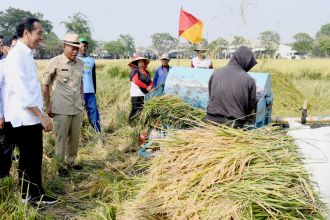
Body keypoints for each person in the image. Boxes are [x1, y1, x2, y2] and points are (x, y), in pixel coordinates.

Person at [4, 17, 57, 204]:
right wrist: (41, 116)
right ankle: (28, 197)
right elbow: (22, 92)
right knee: (27, 160)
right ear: (27, 33)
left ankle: (36, 193)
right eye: (39, 33)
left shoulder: (26, 54)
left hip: (30, 118)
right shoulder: (16, 56)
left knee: (33, 159)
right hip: (23, 118)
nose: (41, 37)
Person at [42, 34, 84, 177]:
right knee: (61, 138)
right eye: (72, 48)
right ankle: (59, 166)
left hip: (77, 107)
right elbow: (45, 84)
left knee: (75, 137)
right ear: (64, 46)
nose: (75, 51)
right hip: (61, 108)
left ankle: (71, 162)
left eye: (77, 49)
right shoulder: (55, 62)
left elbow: (80, 83)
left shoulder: (80, 63)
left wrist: (82, 99)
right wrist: (48, 105)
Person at [206, 45, 257, 128]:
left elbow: (211, 96)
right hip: (233, 125)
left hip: (210, 120)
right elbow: (250, 107)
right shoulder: (249, 80)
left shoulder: (216, 73)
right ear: (245, 61)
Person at [0, 35, 17, 178]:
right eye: (14, 47)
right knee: (5, 149)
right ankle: (3, 177)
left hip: (20, 116)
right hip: (5, 116)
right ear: (6, 48)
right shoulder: (3, 65)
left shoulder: (25, 65)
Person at [78, 37, 101, 132]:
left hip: (90, 91)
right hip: (78, 92)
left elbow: (93, 77)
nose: (84, 48)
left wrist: (94, 90)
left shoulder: (91, 60)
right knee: (78, 114)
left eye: (85, 46)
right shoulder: (75, 59)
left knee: (94, 113)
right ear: (78, 46)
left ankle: (97, 133)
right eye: (82, 45)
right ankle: (79, 134)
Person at [128, 55, 153, 122]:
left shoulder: (146, 72)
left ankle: (138, 122)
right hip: (136, 93)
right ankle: (130, 123)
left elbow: (150, 81)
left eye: (142, 62)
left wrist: (150, 86)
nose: (141, 64)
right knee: (135, 108)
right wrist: (146, 87)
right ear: (137, 63)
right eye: (140, 62)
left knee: (141, 108)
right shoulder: (134, 71)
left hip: (144, 93)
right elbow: (136, 81)